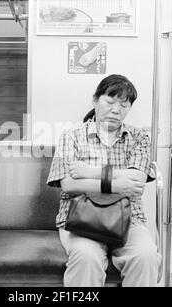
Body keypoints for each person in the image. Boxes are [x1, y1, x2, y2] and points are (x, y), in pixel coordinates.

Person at [47, 74, 160, 287]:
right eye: (109, 101)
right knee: (86, 258)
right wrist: (117, 183)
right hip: (80, 218)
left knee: (146, 256)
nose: (116, 110)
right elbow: (69, 184)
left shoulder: (139, 138)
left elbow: (136, 181)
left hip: (129, 220)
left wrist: (88, 171)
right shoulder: (72, 135)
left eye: (124, 105)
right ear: (95, 100)